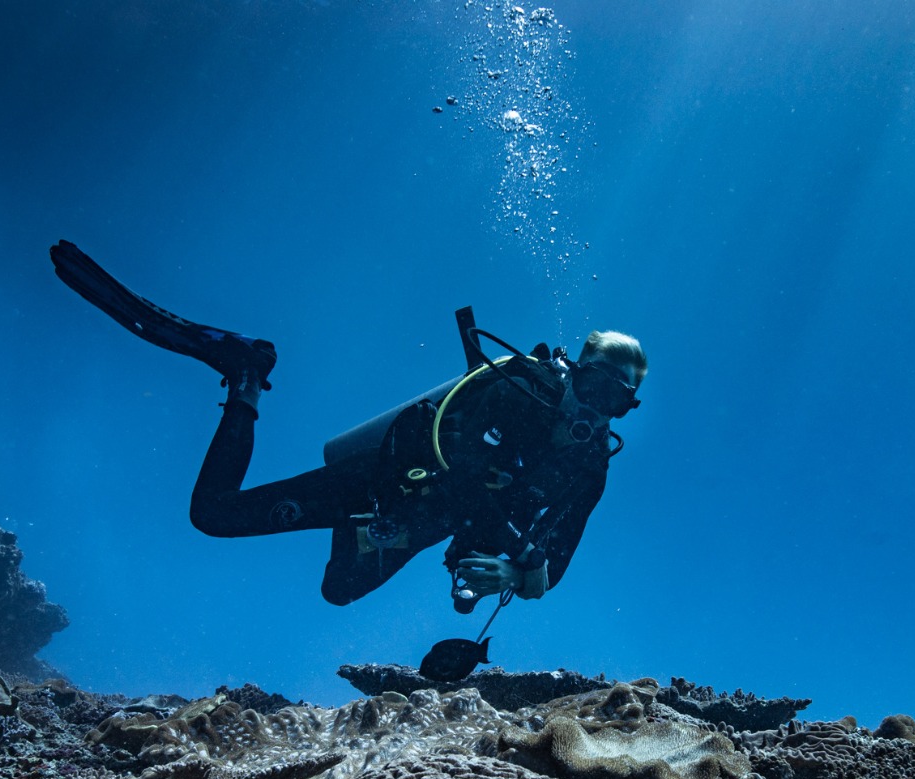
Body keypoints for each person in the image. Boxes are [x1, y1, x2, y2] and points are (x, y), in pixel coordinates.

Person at [50, 240, 646, 610]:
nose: (597, 409)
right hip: (383, 480)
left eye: (617, 404)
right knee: (213, 515)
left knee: (338, 591)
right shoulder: (516, 388)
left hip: (415, 522)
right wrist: (520, 552)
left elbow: (557, 562)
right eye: (594, 387)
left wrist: (521, 573)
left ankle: (363, 530)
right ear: (573, 375)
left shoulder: (588, 469)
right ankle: (245, 374)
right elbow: (463, 476)